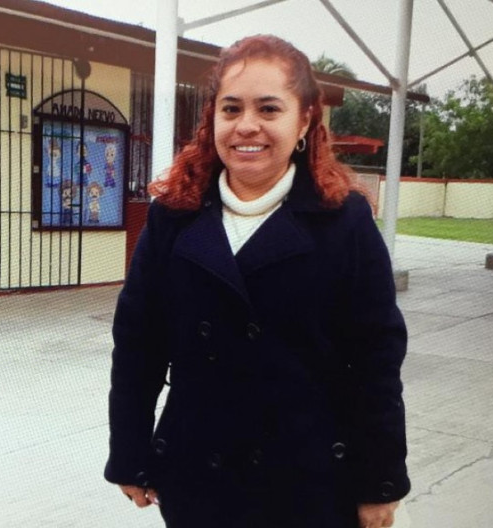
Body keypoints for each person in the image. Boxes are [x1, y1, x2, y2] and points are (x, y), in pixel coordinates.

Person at [104, 35, 409, 528]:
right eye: (231, 109)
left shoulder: (344, 221)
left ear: (304, 120)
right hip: (198, 477)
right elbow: (138, 346)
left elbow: (376, 361)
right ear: (213, 119)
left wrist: (380, 480)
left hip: (308, 482)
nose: (247, 125)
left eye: (269, 108)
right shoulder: (173, 217)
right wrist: (130, 454)